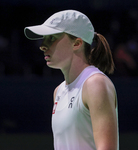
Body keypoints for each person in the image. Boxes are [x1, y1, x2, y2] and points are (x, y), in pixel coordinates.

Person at [24, 10, 119, 150]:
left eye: (51, 38)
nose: (42, 45)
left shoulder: (95, 84)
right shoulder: (58, 91)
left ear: (77, 43)